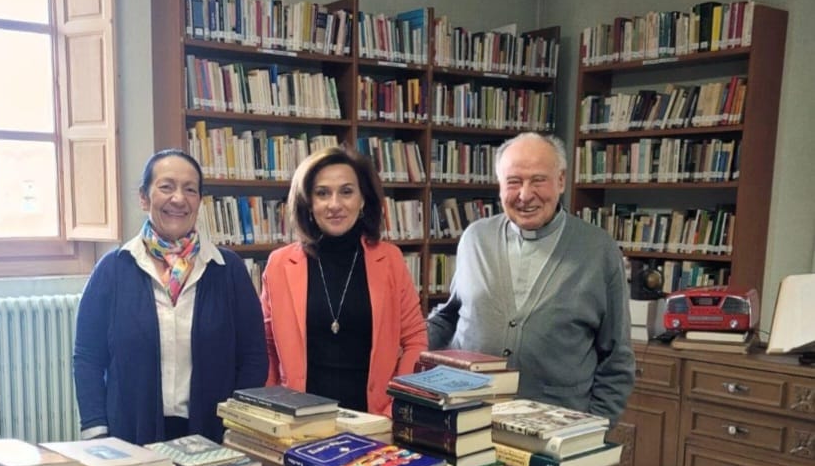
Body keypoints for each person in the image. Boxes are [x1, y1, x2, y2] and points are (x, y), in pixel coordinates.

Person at [427, 133, 635, 424]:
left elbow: (617, 357)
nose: (525, 195)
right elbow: (451, 315)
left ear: (561, 181)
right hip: (469, 419)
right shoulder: (475, 238)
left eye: (538, 180)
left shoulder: (599, 250)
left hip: (559, 427)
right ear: (500, 186)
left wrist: (592, 431)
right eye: (513, 181)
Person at [74, 148, 268, 444]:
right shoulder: (113, 270)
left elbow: (253, 357)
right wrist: (96, 428)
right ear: (144, 197)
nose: (178, 198)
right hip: (129, 434)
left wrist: (239, 425)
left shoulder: (228, 271)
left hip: (213, 434)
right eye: (166, 187)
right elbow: (87, 356)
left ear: (199, 201)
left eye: (190, 190)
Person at [261, 146, 427, 416]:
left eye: (347, 192)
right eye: (322, 193)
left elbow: (415, 340)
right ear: (308, 202)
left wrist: (396, 404)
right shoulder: (280, 264)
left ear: (363, 200)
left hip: (374, 418)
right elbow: (267, 344)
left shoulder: (390, 260)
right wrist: (272, 405)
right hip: (298, 418)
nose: (335, 204)